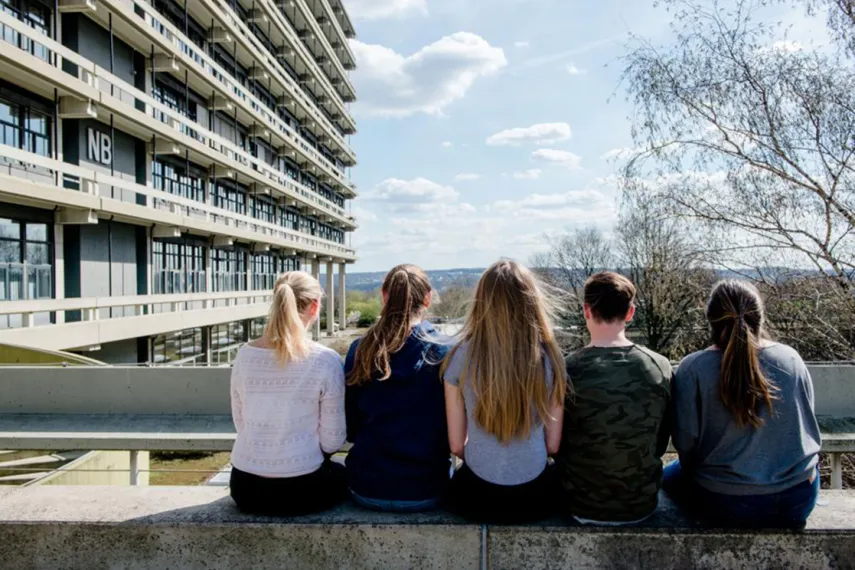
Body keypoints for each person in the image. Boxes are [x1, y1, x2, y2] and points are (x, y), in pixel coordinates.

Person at [664, 280, 822, 528]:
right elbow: (806, 429)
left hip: (724, 502)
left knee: (666, 477)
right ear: (760, 317)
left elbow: (685, 445)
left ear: (711, 321)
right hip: (796, 499)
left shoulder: (693, 367)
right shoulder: (791, 358)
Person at [442, 260, 567, 523]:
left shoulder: (460, 356)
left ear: (481, 302)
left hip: (476, 497)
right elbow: (553, 445)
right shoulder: (551, 358)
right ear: (531, 303)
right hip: (536, 497)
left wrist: (488, 456)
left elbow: (455, 444)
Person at [555, 271, 672, 525]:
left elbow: (556, 444)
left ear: (587, 310)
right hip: (640, 505)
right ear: (630, 313)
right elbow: (661, 440)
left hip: (579, 504)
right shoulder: (659, 366)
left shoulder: (566, 370)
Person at [229, 271, 347, 516]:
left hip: (245, 488)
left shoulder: (244, 355)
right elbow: (332, 441)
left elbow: (241, 424)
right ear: (315, 307)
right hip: (302, 490)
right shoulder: (325, 360)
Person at [345, 264, 451, 513]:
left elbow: (351, 425)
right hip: (427, 487)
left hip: (367, 485)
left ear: (384, 296)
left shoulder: (359, 350)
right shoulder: (445, 351)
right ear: (427, 298)